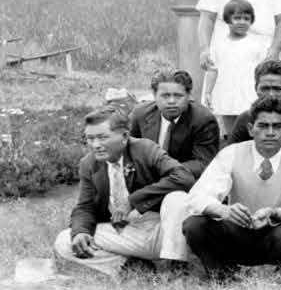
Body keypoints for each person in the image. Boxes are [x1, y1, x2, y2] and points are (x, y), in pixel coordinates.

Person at [181, 97, 281, 280]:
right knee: (194, 225)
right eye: (263, 126)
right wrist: (224, 211)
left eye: (277, 126)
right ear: (251, 129)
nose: (270, 133)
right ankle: (222, 274)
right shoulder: (232, 153)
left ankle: (280, 274)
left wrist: (274, 213)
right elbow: (196, 198)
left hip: (273, 234)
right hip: (237, 232)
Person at [54, 107, 195, 277]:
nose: (96, 145)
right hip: (125, 232)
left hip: (161, 231)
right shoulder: (88, 164)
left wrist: (132, 201)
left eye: (103, 137)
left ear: (125, 136)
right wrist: (81, 232)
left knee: (177, 198)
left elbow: (183, 177)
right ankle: (132, 267)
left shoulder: (145, 149)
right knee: (65, 241)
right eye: (90, 138)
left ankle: (176, 267)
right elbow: (85, 206)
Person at [130, 69, 221, 175]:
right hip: (147, 178)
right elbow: (130, 153)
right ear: (154, 95)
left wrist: (164, 169)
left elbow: (203, 164)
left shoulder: (204, 120)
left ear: (188, 95)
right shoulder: (140, 114)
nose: (171, 101)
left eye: (178, 96)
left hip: (184, 180)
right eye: (165, 96)